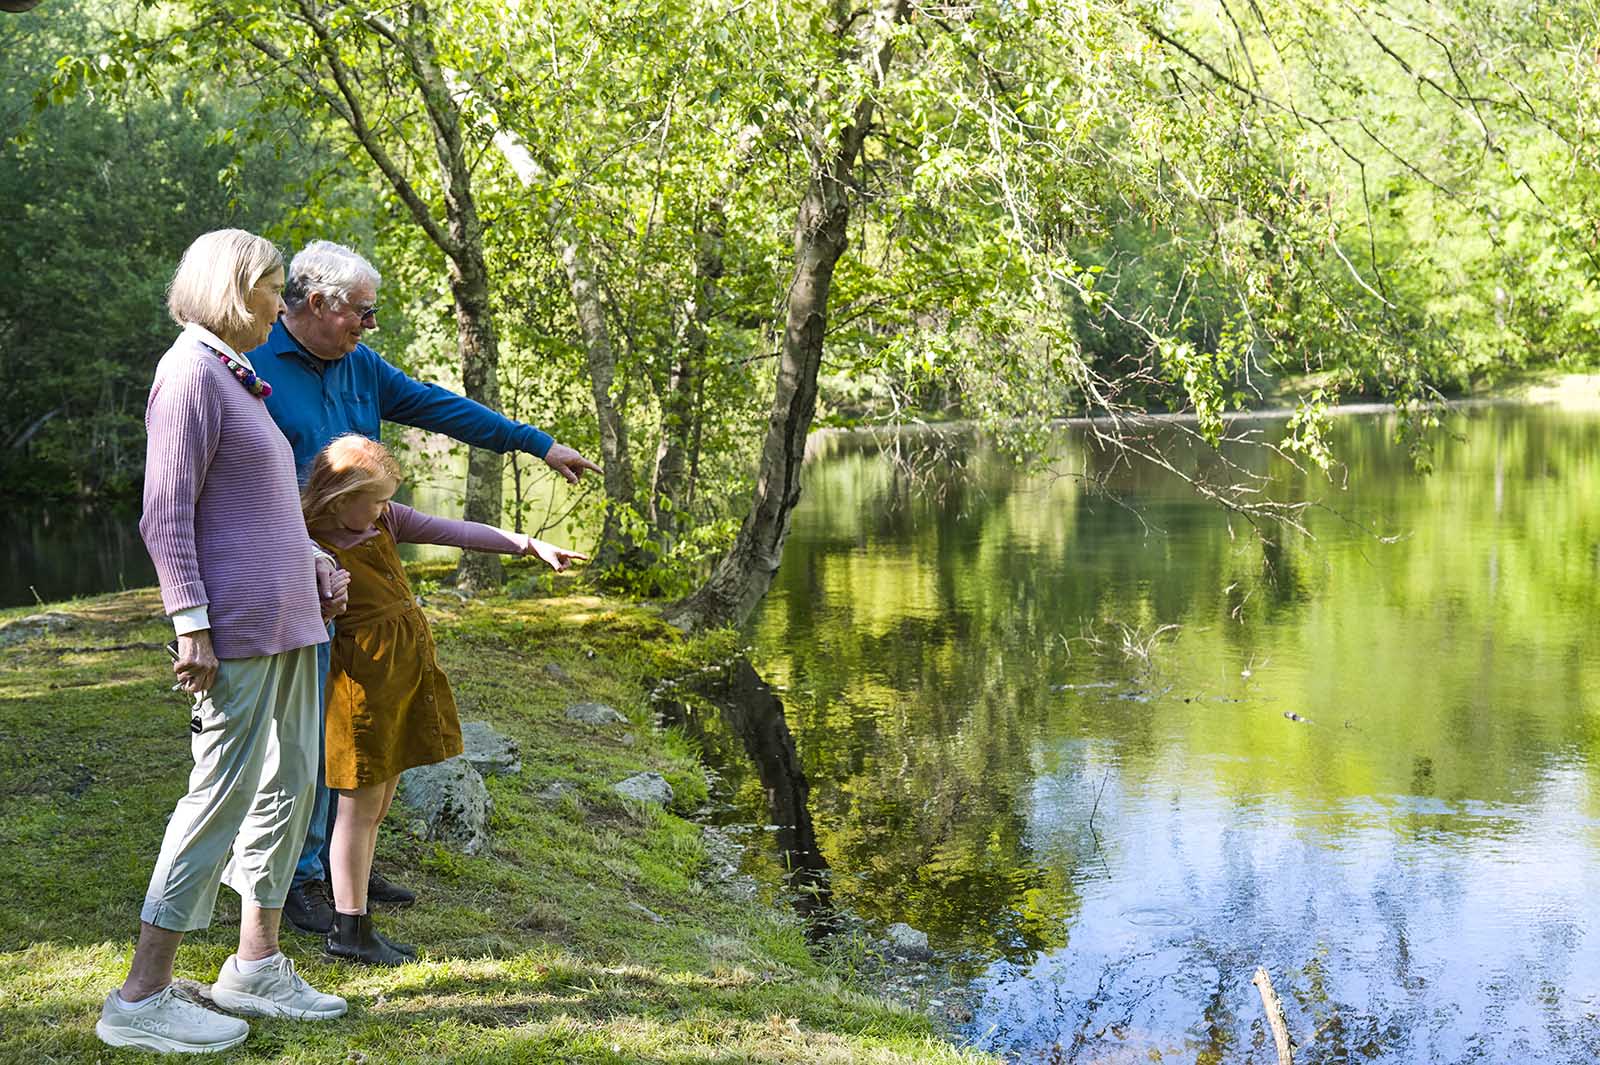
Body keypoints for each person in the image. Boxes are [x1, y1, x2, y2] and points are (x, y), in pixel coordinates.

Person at [252, 240, 601, 934]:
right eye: (363, 313)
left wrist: (534, 443)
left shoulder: (360, 367)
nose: (368, 326)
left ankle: (343, 859)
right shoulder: (254, 366)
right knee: (306, 732)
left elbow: (439, 407)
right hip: (291, 580)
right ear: (318, 304)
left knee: (355, 732)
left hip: (365, 580)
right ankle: (302, 875)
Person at [98, 229, 348, 1054]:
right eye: (276, 289)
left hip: (290, 623)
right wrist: (190, 624)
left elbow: (259, 505)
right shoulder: (189, 373)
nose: (283, 306)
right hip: (235, 630)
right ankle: (141, 996)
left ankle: (256, 963)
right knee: (215, 803)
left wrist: (315, 559)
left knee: (286, 791)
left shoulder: (239, 377)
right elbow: (164, 514)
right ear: (236, 289)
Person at [301, 434, 585, 964]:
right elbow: (302, 617)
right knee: (357, 811)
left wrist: (525, 544)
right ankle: (350, 929)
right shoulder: (309, 544)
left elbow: (455, 531)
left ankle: (356, 905)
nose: (388, 510)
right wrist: (322, 599)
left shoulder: (381, 522)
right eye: (380, 499)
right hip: (362, 689)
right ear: (340, 499)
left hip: (401, 680)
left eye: (389, 500)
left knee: (379, 805)